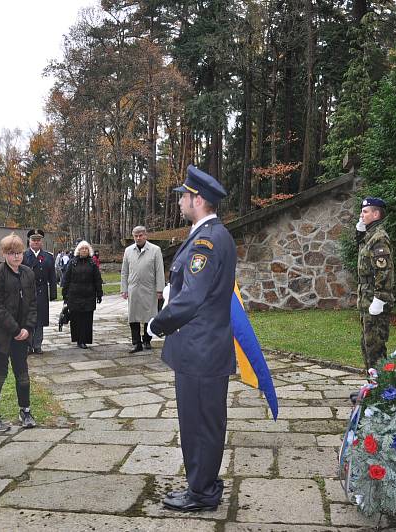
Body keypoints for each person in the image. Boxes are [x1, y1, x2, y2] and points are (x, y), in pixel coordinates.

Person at [147, 165, 236, 512]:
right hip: (205, 348)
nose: (180, 202)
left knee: (199, 424)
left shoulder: (207, 240)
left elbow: (192, 298)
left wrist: (159, 324)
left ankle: (201, 493)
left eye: (183, 197)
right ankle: (205, 483)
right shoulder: (212, 234)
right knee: (205, 421)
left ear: (198, 200)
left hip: (199, 350)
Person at [0, 233, 38, 431]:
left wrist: (28, 328)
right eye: (12, 253)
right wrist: (15, 329)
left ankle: (25, 410)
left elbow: (32, 303)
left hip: (22, 333)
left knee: (22, 373)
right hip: (0, 334)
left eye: (19, 253)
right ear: (4, 254)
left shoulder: (27, 273)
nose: (16, 257)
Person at [355, 197, 394, 370]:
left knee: (376, 347)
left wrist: (380, 298)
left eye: (365, 211)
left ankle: (383, 391)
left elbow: (384, 271)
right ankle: (373, 386)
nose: (361, 215)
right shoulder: (370, 236)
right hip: (366, 298)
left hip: (375, 299)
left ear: (376, 214)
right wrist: (360, 232)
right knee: (367, 344)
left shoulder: (379, 238)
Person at [121, 226, 165, 353]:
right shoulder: (128, 251)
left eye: (140, 235)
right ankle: (136, 342)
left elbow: (159, 270)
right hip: (133, 288)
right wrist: (124, 289)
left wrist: (160, 289)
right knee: (133, 316)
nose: (138, 238)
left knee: (149, 316)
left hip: (149, 288)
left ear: (146, 235)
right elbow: (124, 271)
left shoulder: (155, 250)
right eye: (136, 236)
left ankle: (147, 339)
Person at [62, 240, 102, 349]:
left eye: (86, 248)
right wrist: (65, 294)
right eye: (82, 249)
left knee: (87, 319)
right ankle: (78, 339)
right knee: (76, 319)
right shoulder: (72, 262)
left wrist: (99, 293)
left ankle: (84, 340)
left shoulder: (92, 263)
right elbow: (66, 278)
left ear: (89, 250)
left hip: (89, 295)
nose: (84, 250)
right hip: (74, 295)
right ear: (78, 250)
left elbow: (97, 279)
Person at [22, 229, 57, 354]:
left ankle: (37, 345)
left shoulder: (48, 257)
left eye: (38, 240)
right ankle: (28, 345)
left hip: (42, 291)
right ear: (29, 241)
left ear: (41, 241)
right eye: (33, 240)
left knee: (40, 320)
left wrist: (53, 294)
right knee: (28, 318)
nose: (36, 242)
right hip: (27, 292)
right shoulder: (23, 256)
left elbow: (52, 276)